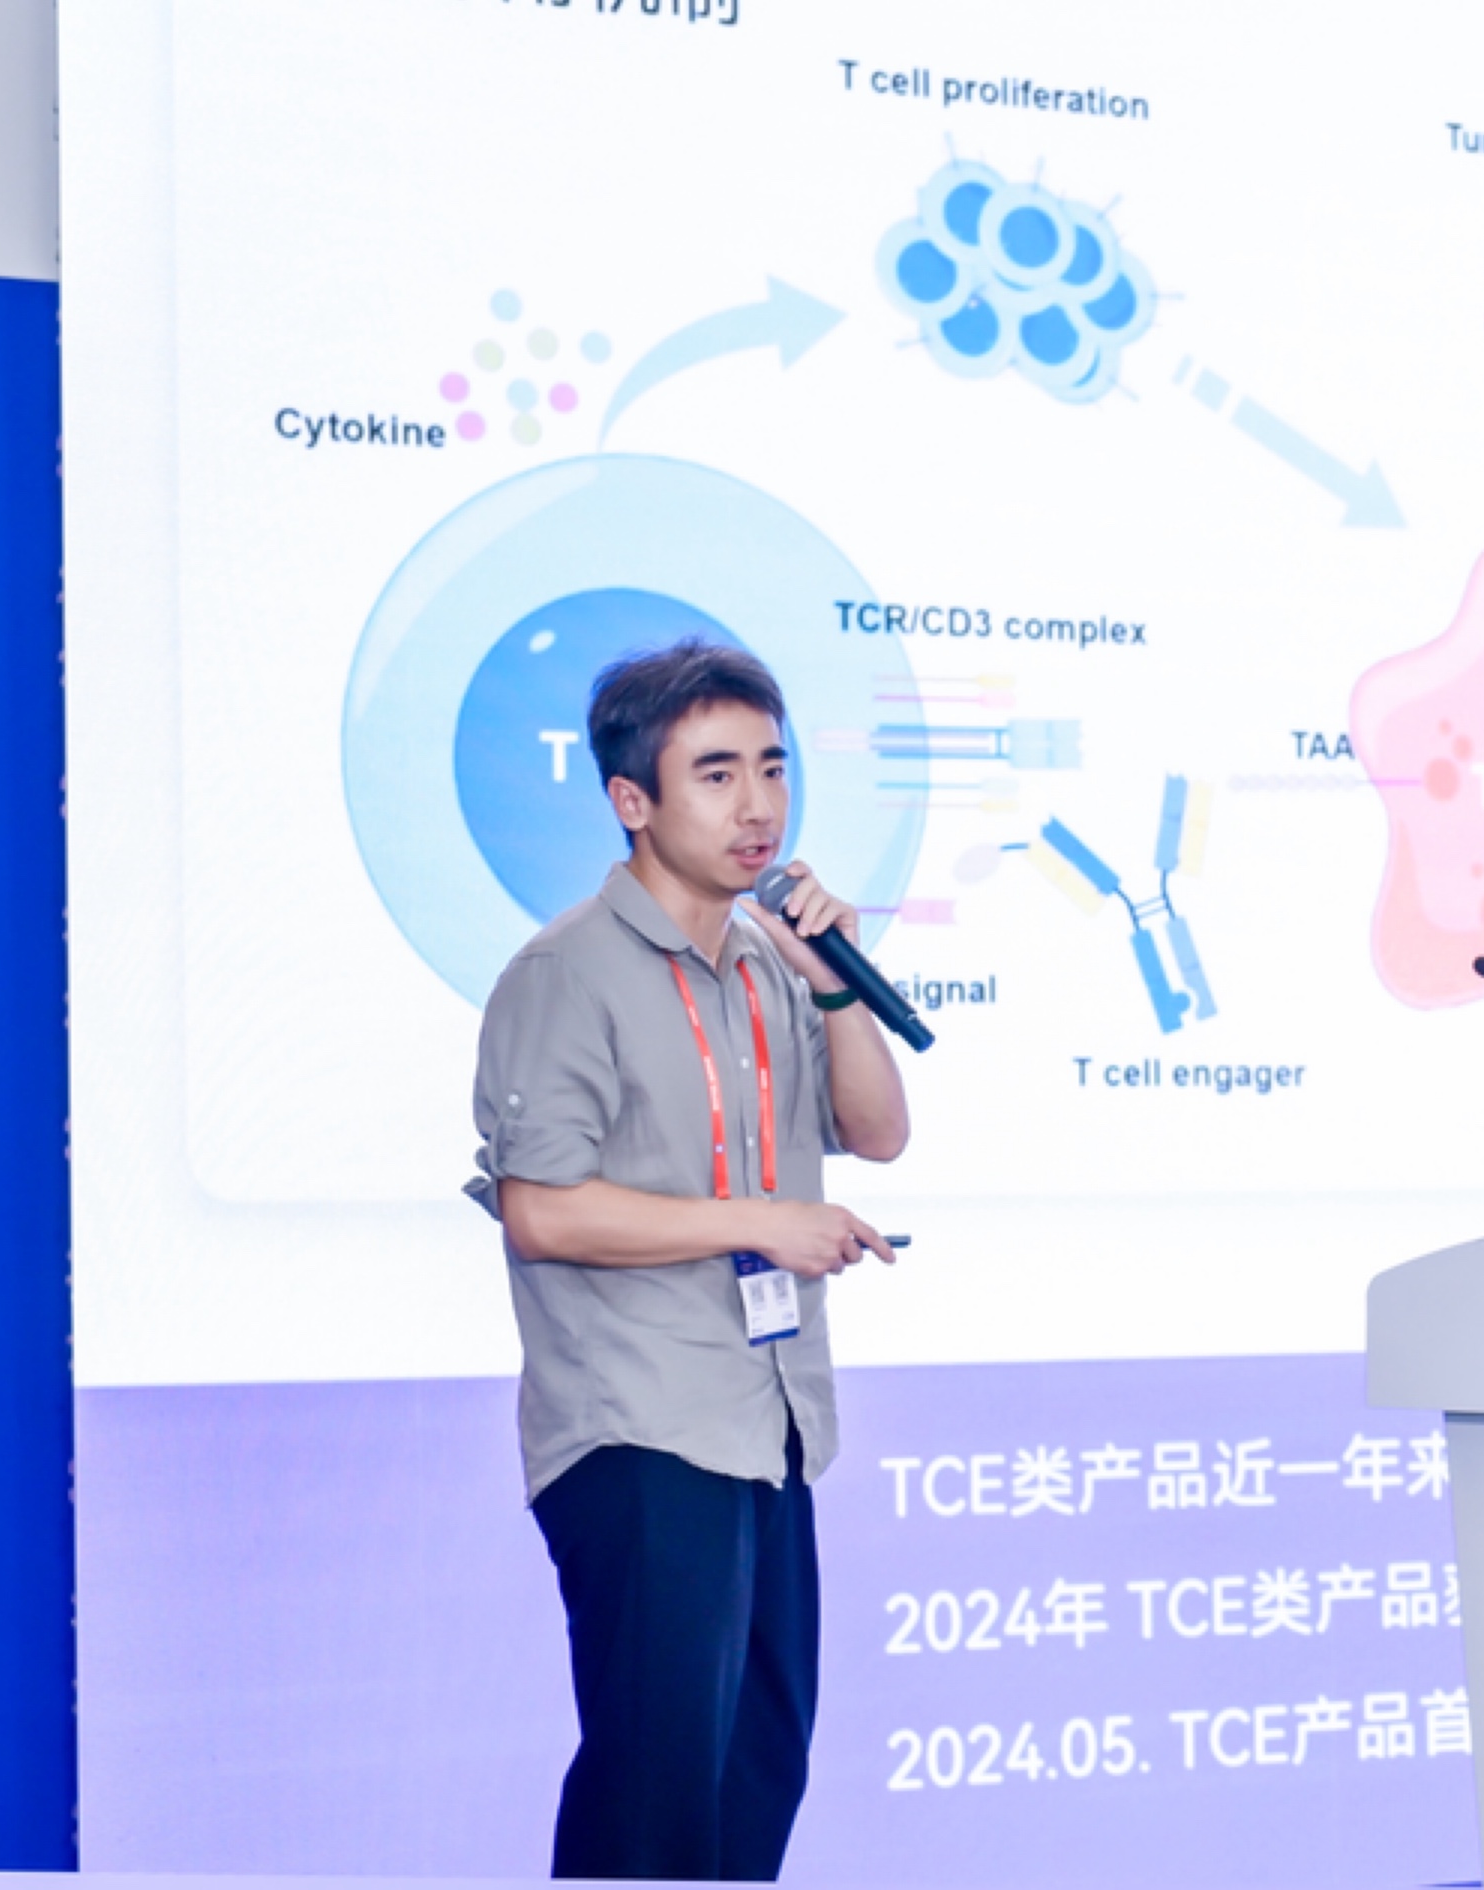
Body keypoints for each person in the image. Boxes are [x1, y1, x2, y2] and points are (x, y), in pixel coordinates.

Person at [464, 638, 911, 1881]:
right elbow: (542, 1212)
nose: (758, 804)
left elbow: (878, 1131)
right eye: (716, 774)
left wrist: (838, 989)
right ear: (633, 800)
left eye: (772, 767)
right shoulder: (566, 973)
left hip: (766, 1422)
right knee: (653, 1795)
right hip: (638, 1429)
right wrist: (758, 1221)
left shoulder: (772, 961)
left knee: (757, 1771)